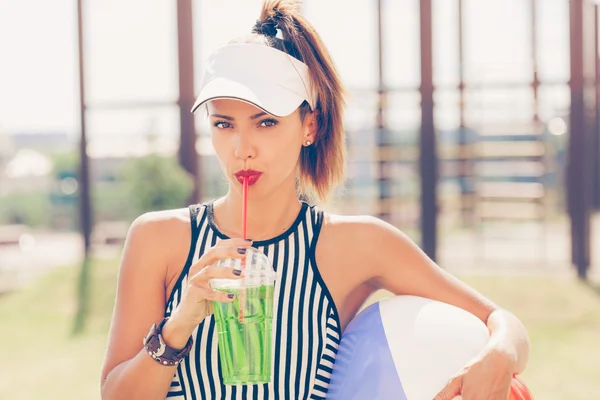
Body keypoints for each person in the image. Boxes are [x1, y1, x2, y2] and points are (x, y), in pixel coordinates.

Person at [100, 1, 530, 399]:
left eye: (266, 122)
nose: (242, 148)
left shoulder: (355, 244)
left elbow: (502, 322)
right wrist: (179, 325)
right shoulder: (159, 239)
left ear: (310, 127)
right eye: (224, 124)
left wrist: (500, 353)